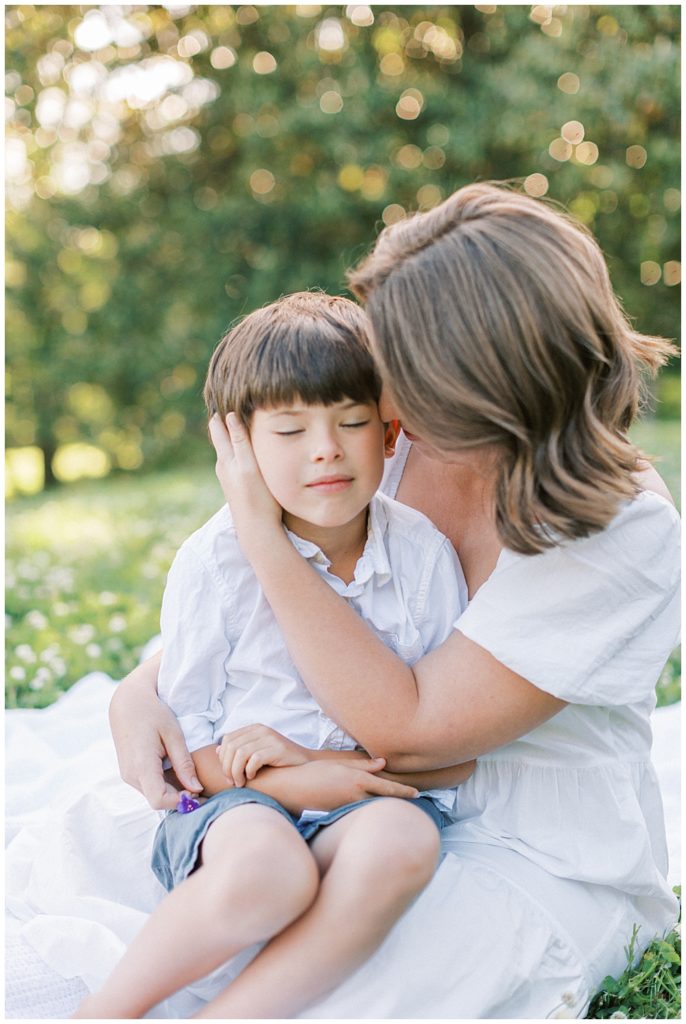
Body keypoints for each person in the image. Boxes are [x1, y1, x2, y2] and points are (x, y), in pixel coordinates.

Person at [110, 183, 680, 1019]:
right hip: (324, 771)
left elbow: (405, 725)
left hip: (519, 833)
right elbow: (294, 598)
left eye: (401, 370)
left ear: (479, 382)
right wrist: (144, 686)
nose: (379, 403)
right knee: (191, 904)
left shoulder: (622, 532)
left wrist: (261, 536)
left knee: (363, 990)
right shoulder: (401, 438)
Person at [75, 291, 474, 1019]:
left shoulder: (420, 556)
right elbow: (185, 756)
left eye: (351, 423)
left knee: (402, 843)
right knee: (269, 872)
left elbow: (456, 747)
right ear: (240, 450)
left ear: (390, 435)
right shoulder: (217, 563)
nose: (325, 448)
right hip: (238, 805)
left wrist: (323, 770)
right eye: (289, 430)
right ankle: (105, 1012)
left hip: (370, 803)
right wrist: (297, 781)